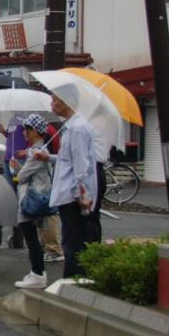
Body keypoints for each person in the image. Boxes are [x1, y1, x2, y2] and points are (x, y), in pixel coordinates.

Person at [35, 91, 98, 279]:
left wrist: (82, 195)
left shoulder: (77, 128)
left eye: (54, 99)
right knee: (72, 239)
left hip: (73, 194)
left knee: (73, 240)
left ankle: (73, 279)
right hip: (70, 192)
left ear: (66, 101)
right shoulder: (71, 127)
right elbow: (69, 160)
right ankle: (73, 278)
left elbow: (81, 166)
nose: (51, 104)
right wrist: (48, 157)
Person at [11, 115, 55, 288]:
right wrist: (20, 168)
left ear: (35, 131)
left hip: (31, 199)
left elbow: (22, 177)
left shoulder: (38, 152)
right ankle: (36, 272)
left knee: (30, 236)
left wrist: (19, 170)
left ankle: (37, 274)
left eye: (26, 130)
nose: (24, 133)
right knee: (32, 236)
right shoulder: (38, 150)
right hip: (35, 196)